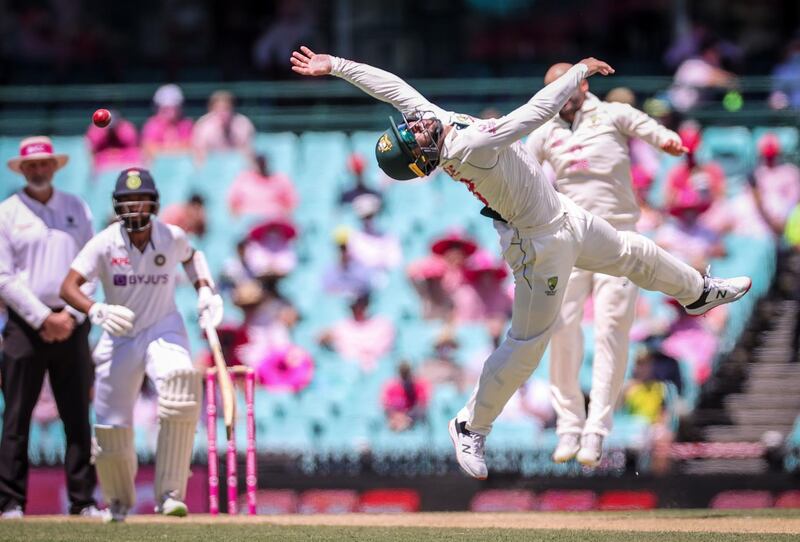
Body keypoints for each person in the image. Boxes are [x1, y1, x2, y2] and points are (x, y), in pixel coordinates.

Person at [290, 46, 751, 480]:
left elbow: (391, 86)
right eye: (412, 137)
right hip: (538, 245)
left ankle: (697, 293)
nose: (414, 126)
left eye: (407, 129)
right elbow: (534, 114)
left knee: (634, 252)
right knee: (528, 344)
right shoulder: (466, 146)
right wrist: (577, 73)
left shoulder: (438, 123)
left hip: (564, 215)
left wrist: (335, 65)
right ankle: (470, 425)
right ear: (426, 159)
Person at [525, 62, 686, 466]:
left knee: (612, 328)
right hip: (570, 239)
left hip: (618, 237)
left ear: (582, 85)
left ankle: (597, 428)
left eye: (566, 87)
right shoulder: (545, 130)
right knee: (560, 325)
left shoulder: (610, 113)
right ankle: (568, 426)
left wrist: (666, 139)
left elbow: (643, 124)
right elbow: (520, 171)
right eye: (552, 90)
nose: (560, 96)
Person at [59, 167, 223, 521]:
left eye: (141, 200)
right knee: (110, 427)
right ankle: (118, 502)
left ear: (153, 203)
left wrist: (205, 289)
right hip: (119, 334)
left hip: (162, 327)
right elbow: (68, 286)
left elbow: (193, 258)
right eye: (127, 201)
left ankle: (170, 495)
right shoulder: (104, 242)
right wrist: (96, 309)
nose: (134, 207)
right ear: (118, 206)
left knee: (181, 383)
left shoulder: (170, 236)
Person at [0, 136, 101, 518]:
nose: (39, 170)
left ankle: (83, 500)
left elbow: (92, 267)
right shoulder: (7, 212)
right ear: (23, 170)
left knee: (76, 415)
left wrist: (71, 316)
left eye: (44, 164)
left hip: (71, 321)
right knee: (16, 417)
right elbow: (4, 276)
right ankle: (9, 501)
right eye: (32, 165)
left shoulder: (76, 207)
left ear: (54, 167)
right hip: (26, 326)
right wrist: (44, 318)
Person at [227, 154, 298, 219]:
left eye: (264, 163)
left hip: (275, 218)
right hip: (249, 219)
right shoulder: (244, 178)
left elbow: (291, 203)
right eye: (259, 163)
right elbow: (232, 202)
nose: (262, 166)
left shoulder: (280, 179)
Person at [192, 90, 255, 161]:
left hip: (236, 164)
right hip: (211, 164)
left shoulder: (243, 124)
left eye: (226, 108)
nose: (223, 113)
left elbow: (248, 154)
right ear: (211, 109)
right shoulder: (203, 125)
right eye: (219, 109)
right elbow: (199, 154)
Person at [141, 84, 194, 158]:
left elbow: (190, 148)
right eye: (166, 109)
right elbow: (150, 150)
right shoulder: (152, 124)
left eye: (174, 108)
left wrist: (163, 149)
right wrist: (176, 149)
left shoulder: (186, 124)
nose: (171, 112)